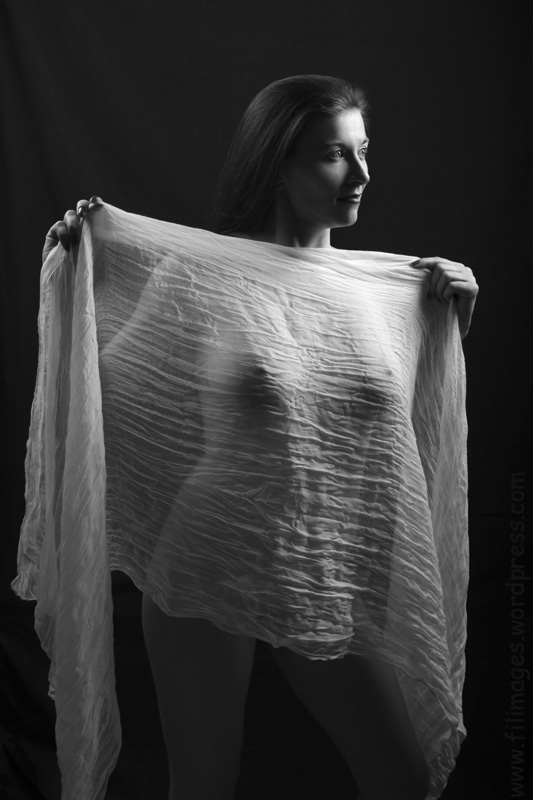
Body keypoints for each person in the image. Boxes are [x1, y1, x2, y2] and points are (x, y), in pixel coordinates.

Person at [38, 75, 478, 800]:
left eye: (364, 151)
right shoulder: (200, 277)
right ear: (277, 163)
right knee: (204, 784)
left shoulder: (387, 294)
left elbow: (405, 426)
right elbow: (107, 383)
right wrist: (83, 273)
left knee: (402, 779)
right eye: (334, 155)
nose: (362, 174)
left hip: (320, 563)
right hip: (209, 551)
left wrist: (452, 326)